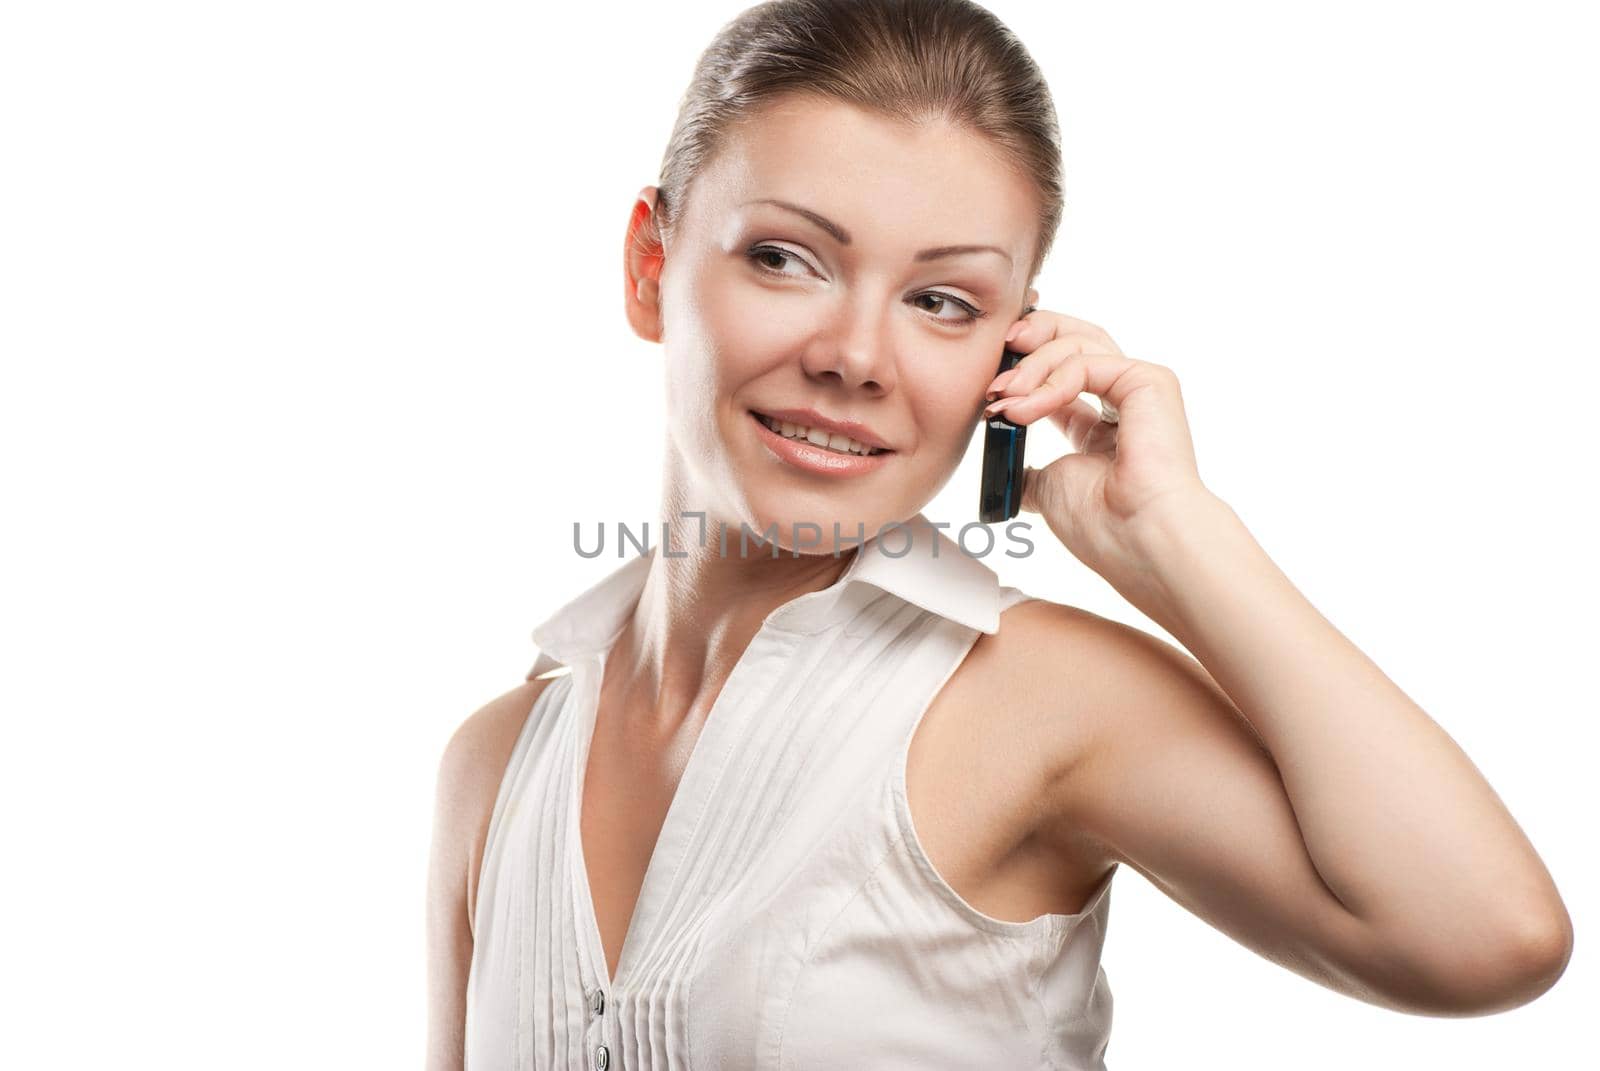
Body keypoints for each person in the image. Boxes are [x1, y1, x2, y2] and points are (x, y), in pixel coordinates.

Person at [426, 1, 1573, 1068]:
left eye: (943, 301)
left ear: (1012, 355)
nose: (856, 358)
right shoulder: (499, 760)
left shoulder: (1042, 701)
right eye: (785, 258)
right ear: (650, 265)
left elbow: (1490, 938)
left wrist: (1172, 532)